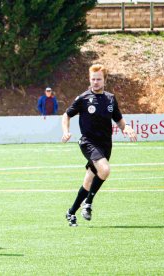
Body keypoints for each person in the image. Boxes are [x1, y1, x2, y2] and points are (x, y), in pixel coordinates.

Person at [62, 64, 137, 227]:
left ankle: (71, 212)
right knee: (105, 169)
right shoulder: (83, 98)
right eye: (93, 79)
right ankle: (88, 203)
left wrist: (127, 127)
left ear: (104, 80)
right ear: (89, 80)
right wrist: (66, 131)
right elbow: (66, 115)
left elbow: (119, 119)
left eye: (98, 79)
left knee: (89, 181)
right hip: (88, 142)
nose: (95, 82)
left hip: (105, 144)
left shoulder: (110, 98)